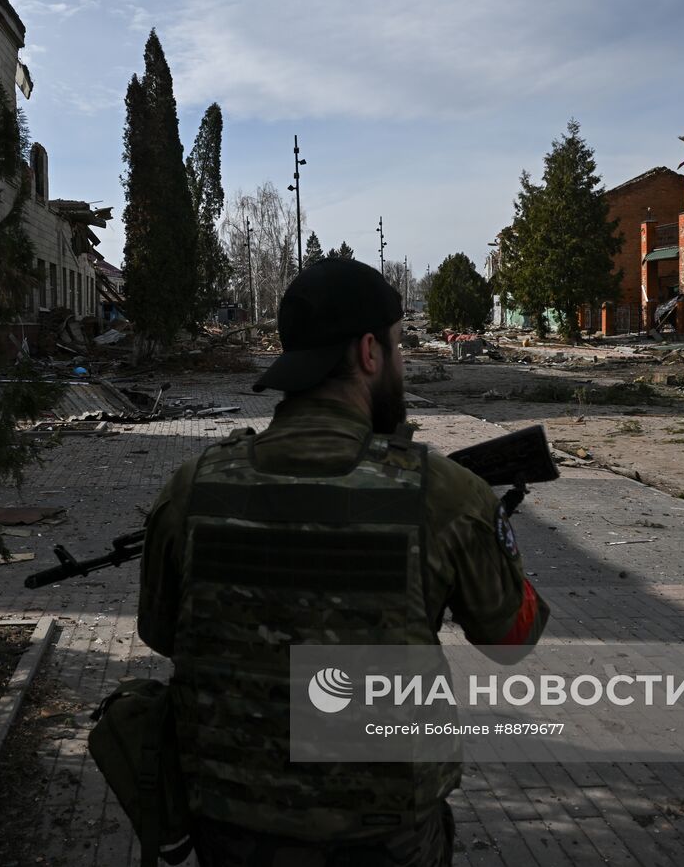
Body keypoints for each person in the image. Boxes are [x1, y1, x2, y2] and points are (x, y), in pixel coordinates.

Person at [137, 258, 547, 867]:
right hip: (383, 838)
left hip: (231, 829)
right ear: (369, 353)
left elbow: (161, 632)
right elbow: (512, 637)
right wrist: (489, 534)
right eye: (400, 345)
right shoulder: (442, 493)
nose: (402, 362)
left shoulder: (192, 487)